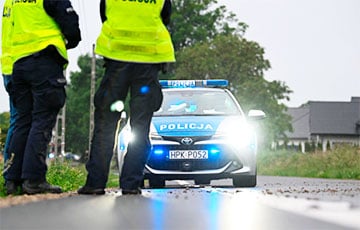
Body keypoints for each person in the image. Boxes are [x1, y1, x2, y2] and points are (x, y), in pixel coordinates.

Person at [78, 0, 175, 195]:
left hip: (117, 64)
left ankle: (95, 183)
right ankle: (131, 184)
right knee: (140, 126)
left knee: (106, 123)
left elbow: (104, 15)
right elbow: (165, 18)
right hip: (147, 65)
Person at [5, 0, 81, 195]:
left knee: (23, 121)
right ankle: (34, 179)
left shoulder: (13, 1)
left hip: (18, 65)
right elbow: (70, 24)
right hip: (44, 62)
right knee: (42, 121)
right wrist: (71, 40)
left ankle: (12, 180)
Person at [1, 0, 19, 195]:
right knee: (23, 123)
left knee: (17, 122)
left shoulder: (11, 2)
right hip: (21, 67)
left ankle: (11, 176)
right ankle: (13, 176)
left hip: (9, 67)